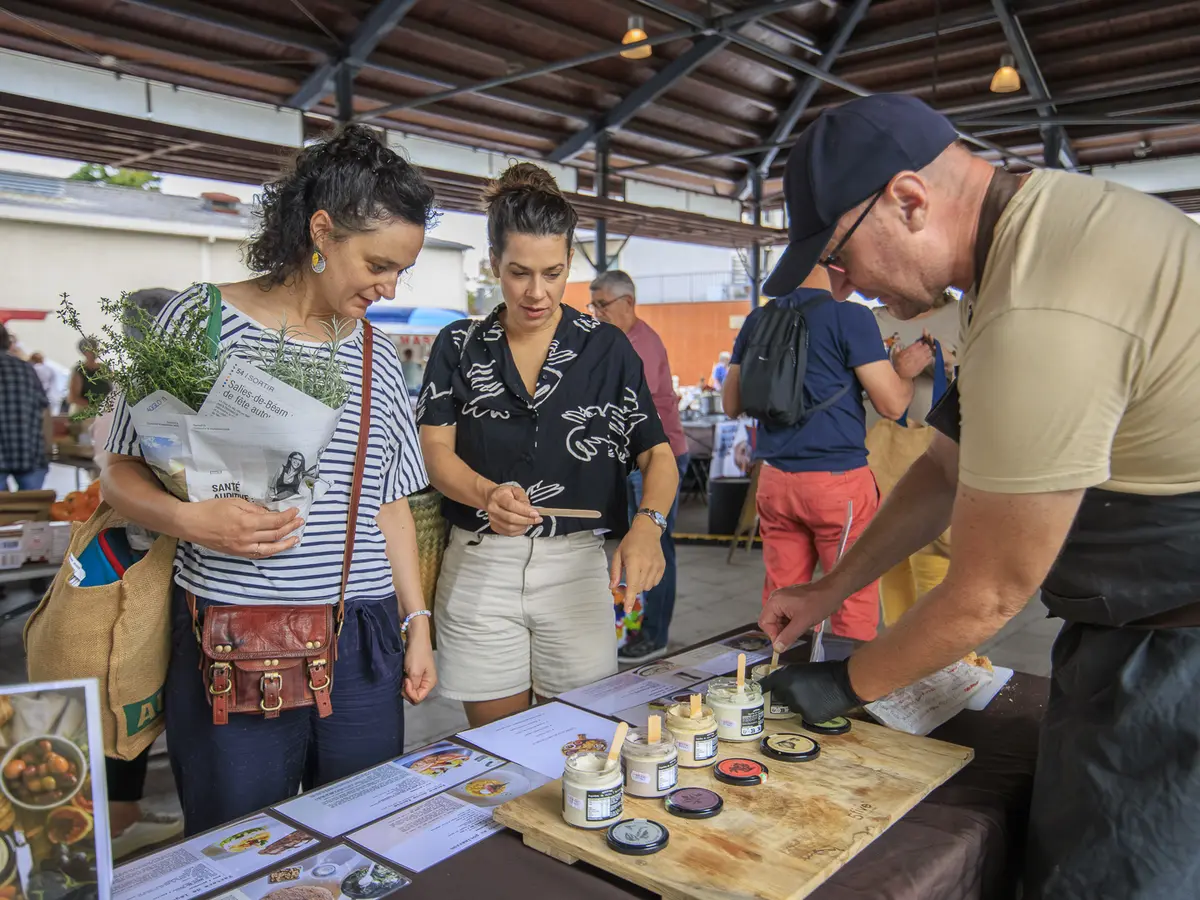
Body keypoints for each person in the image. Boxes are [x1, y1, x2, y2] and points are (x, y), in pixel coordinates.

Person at [756, 93, 1200, 900]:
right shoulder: (1030, 240)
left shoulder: (1043, 303)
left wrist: (848, 684)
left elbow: (991, 591)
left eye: (841, 257)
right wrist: (829, 590)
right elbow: (944, 469)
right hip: (1126, 622)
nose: (844, 287)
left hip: (1178, 649)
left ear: (909, 200)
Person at [101, 125, 438, 835]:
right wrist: (191, 520)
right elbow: (119, 476)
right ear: (322, 231)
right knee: (238, 845)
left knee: (363, 840)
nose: (389, 286)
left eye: (401, 271)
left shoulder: (376, 355)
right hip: (232, 639)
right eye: (378, 264)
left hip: (362, 638)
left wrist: (417, 625)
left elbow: (391, 507)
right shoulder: (201, 321)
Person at [418, 162, 679, 728]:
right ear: (494, 263)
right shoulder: (459, 345)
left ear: (568, 266)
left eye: (553, 273)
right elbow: (435, 451)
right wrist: (486, 494)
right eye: (518, 273)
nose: (536, 292)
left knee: (579, 744)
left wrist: (649, 525)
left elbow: (657, 453)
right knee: (500, 746)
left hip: (577, 568)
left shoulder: (607, 349)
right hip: (482, 567)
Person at [723, 267, 930, 641]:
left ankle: (781, 669)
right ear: (841, 269)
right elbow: (892, 405)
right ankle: (844, 675)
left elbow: (731, 403)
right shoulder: (850, 316)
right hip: (838, 484)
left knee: (782, 599)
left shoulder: (758, 319)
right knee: (851, 597)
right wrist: (905, 372)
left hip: (774, 481)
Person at [589, 269, 689, 662]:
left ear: (628, 302)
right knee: (635, 547)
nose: (597, 312)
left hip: (656, 460)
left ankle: (654, 634)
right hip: (634, 460)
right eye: (593, 305)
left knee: (653, 545)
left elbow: (621, 407)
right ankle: (638, 625)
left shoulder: (640, 345)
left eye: (603, 304)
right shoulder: (618, 340)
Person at [866, 291, 960, 625]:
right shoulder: (873, 321)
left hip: (939, 460)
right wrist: (897, 372)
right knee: (890, 565)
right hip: (884, 458)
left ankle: (940, 651)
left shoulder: (962, 314)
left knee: (934, 568)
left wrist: (949, 363)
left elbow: (989, 377)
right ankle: (898, 646)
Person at [0, 323, 51, 491]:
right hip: (29, 452)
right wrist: (48, 447)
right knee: (32, 505)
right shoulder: (25, 368)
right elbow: (45, 410)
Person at [69, 337, 112, 412]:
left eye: (95, 348)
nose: (94, 351)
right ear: (84, 352)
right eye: (90, 349)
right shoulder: (80, 370)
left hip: (105, 410)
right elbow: (73, 397)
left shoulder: (105, 368)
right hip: (85, 411)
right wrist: (94, 407)